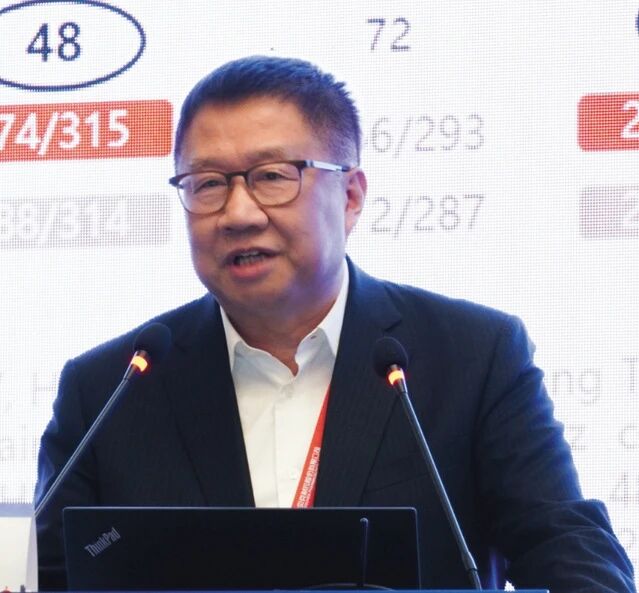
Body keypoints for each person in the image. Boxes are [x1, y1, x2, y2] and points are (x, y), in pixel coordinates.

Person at [35, 55, 635, 592]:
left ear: (350, 196)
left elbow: (570, 547)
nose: (238, 213)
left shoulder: (473, 357)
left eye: (272, 176)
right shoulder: (110, 388)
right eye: (208, 184)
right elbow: (42, 574)